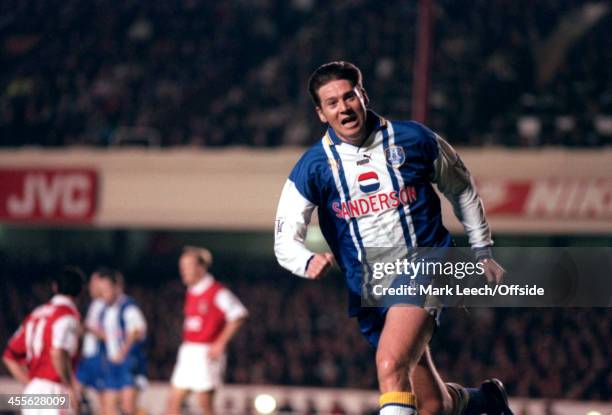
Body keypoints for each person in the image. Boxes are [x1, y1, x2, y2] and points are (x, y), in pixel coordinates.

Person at [274, 61, 513, 415]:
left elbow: (460, 188)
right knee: (432, 405)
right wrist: (306, 260)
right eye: (333, 103)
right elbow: (284, 239)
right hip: (368, 287)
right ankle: (482, 401)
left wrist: (481, 249)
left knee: (389, 364)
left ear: (363, 95)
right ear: (321, 114)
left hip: (426, 263)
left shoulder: (414, 138)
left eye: (349, 96)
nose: (344, 107)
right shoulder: (312, 167)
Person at [166, 246, 248, 415]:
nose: (183, 271)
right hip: (188, 349)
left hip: (206, 352)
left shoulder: (216, 292)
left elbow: (239, 314)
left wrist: (220, 343)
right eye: (182, 266)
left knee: (204, 403)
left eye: (188, 266)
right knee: (173, 402)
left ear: (201, 268)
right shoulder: (192, 290)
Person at [3, 266, 85, 415]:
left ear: (55, 287)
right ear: (81, 290)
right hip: (55, 389)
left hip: (33, 391)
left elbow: (9, 356)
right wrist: (70, 388)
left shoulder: (37, 313)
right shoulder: (68, 315)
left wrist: (31, 385)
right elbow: (57, 352)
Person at [97, 269, 147, 415]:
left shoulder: (128, 307)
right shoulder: (105, 310)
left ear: (117, 287)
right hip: (113, 365)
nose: (103, 294)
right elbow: (109, 335)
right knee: (108, 408)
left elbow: (137, 331)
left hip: (129, 363)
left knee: (128, 408)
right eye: (101, 290)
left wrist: (122, 352)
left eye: (106, 290)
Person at [75, 269, 107, 409]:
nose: (91, 287)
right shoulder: (95, 305)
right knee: (74, 392)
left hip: (99, 358)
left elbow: (108, 335)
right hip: (88, 358)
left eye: (94, 283)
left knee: (106, 403)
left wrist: (88, 328)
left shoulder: (107, 306)